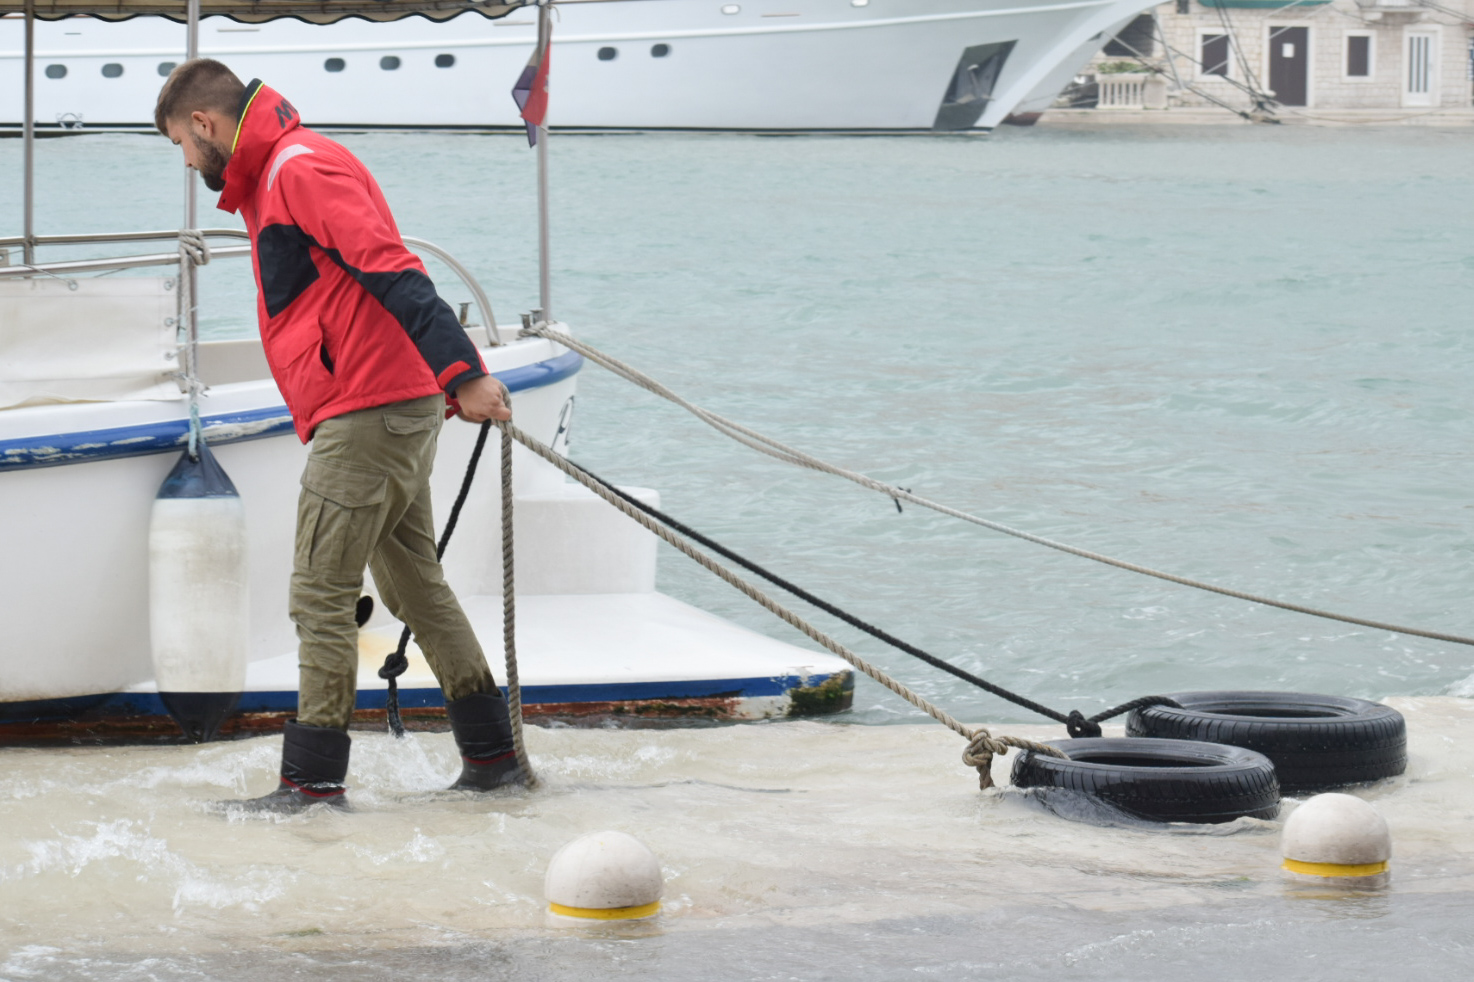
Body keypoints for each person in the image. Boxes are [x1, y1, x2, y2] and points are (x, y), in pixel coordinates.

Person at [155, 59, 521, 811]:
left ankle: (311, 784)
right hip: (383, 404)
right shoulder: (280, 172)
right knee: (413, 584)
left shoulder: (298, 167)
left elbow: (390, 267)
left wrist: (463, 373)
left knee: (319, 592)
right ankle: (493, 762)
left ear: (204, 123)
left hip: (370, 410)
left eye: (182, 146)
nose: (188, 164)